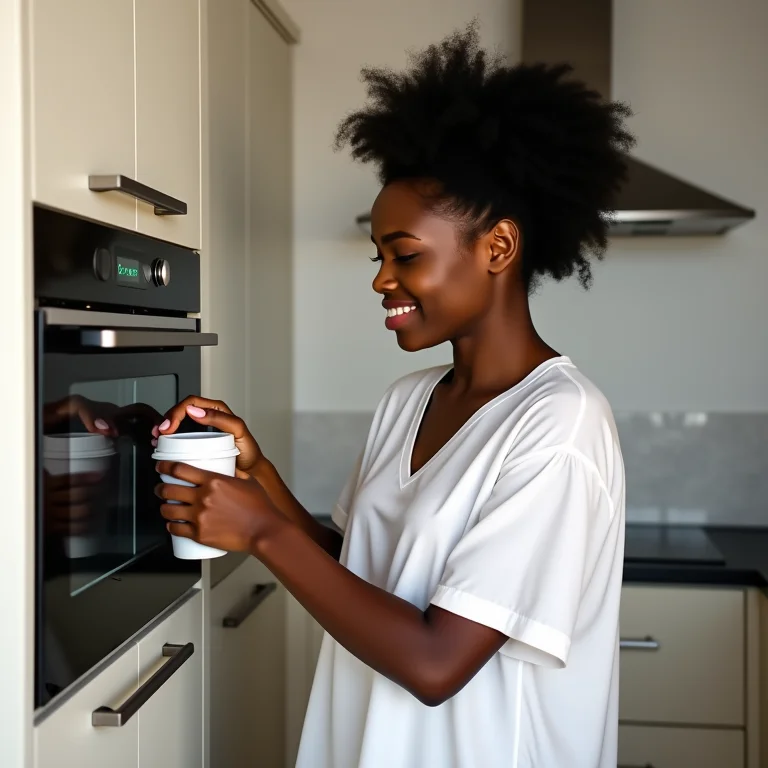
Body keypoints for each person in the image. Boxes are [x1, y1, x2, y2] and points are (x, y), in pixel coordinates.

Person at [155, 23, 632, 768]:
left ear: (498, 248)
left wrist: (261, 533)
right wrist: (260, 478)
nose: (381, 279)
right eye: (379, 256)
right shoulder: (409, 399)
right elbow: (360, 573)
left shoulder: (560, 424)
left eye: (404, 255)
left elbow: (438, 663)